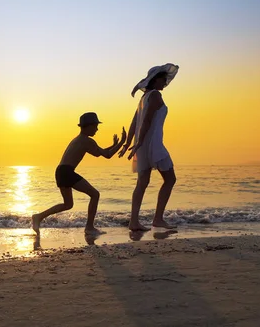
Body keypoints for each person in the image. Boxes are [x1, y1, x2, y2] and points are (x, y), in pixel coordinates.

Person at [32, 112, 126, 235]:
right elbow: (107, 155)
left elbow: (100, 152)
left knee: (68, 204)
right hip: (67, 172)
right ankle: (89, 227)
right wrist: (122, 142)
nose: (97, 129)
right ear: (88, 126)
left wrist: (114, 145)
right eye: (95, 126)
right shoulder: (87, 141)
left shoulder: (80, 139)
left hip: (61, 171)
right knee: (95, 194)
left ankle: (38, 217)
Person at [118, 64, 180, 231]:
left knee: (142, 183)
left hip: (143, 144)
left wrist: (131, 143)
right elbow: (143, 121)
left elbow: (134, 123)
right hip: (153, 144)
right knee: (170, 179)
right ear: (155, 80)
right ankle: (158, 219)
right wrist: (135, 143)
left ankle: (134, 222)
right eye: (163, 79)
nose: (165, 82)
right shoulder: (155, 96)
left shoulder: (144, 97)